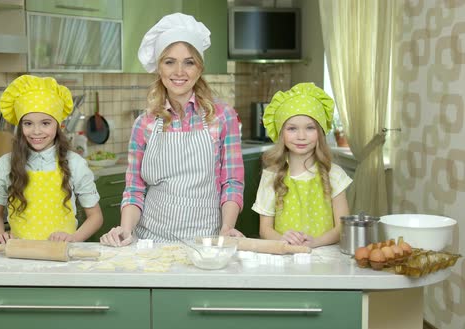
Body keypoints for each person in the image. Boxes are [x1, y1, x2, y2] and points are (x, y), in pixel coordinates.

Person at [100, 13, 245, 246]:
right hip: (151, 242)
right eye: (169, 62)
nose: (179, 71)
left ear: (199, 68)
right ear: (159, 68)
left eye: (189, 62)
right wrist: (125, 229)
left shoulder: (222, 116)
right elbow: (135, 189)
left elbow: (232, 183)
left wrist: (227, 228)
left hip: (206, 242)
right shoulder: (144, 123)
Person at [0, 75, 103, 244]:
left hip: (63, 257)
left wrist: (73, 238)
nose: (36, 131)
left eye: (45, 123)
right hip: (20, 258)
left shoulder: (75, 164)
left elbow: (96, 216)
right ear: (20, 126)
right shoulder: (5, 164)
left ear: (58, 125)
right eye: (28, 124)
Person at [252, 82, 352, 248]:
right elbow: (265, 229)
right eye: (292, 129)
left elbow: (342, 226)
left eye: (310, 128)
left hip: (325, 258)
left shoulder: (334, 173)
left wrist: (315, 242)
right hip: (285, 260)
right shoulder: (272, 176)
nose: (301, 136)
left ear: (320, 132)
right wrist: (283, 239)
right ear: (280, 133)